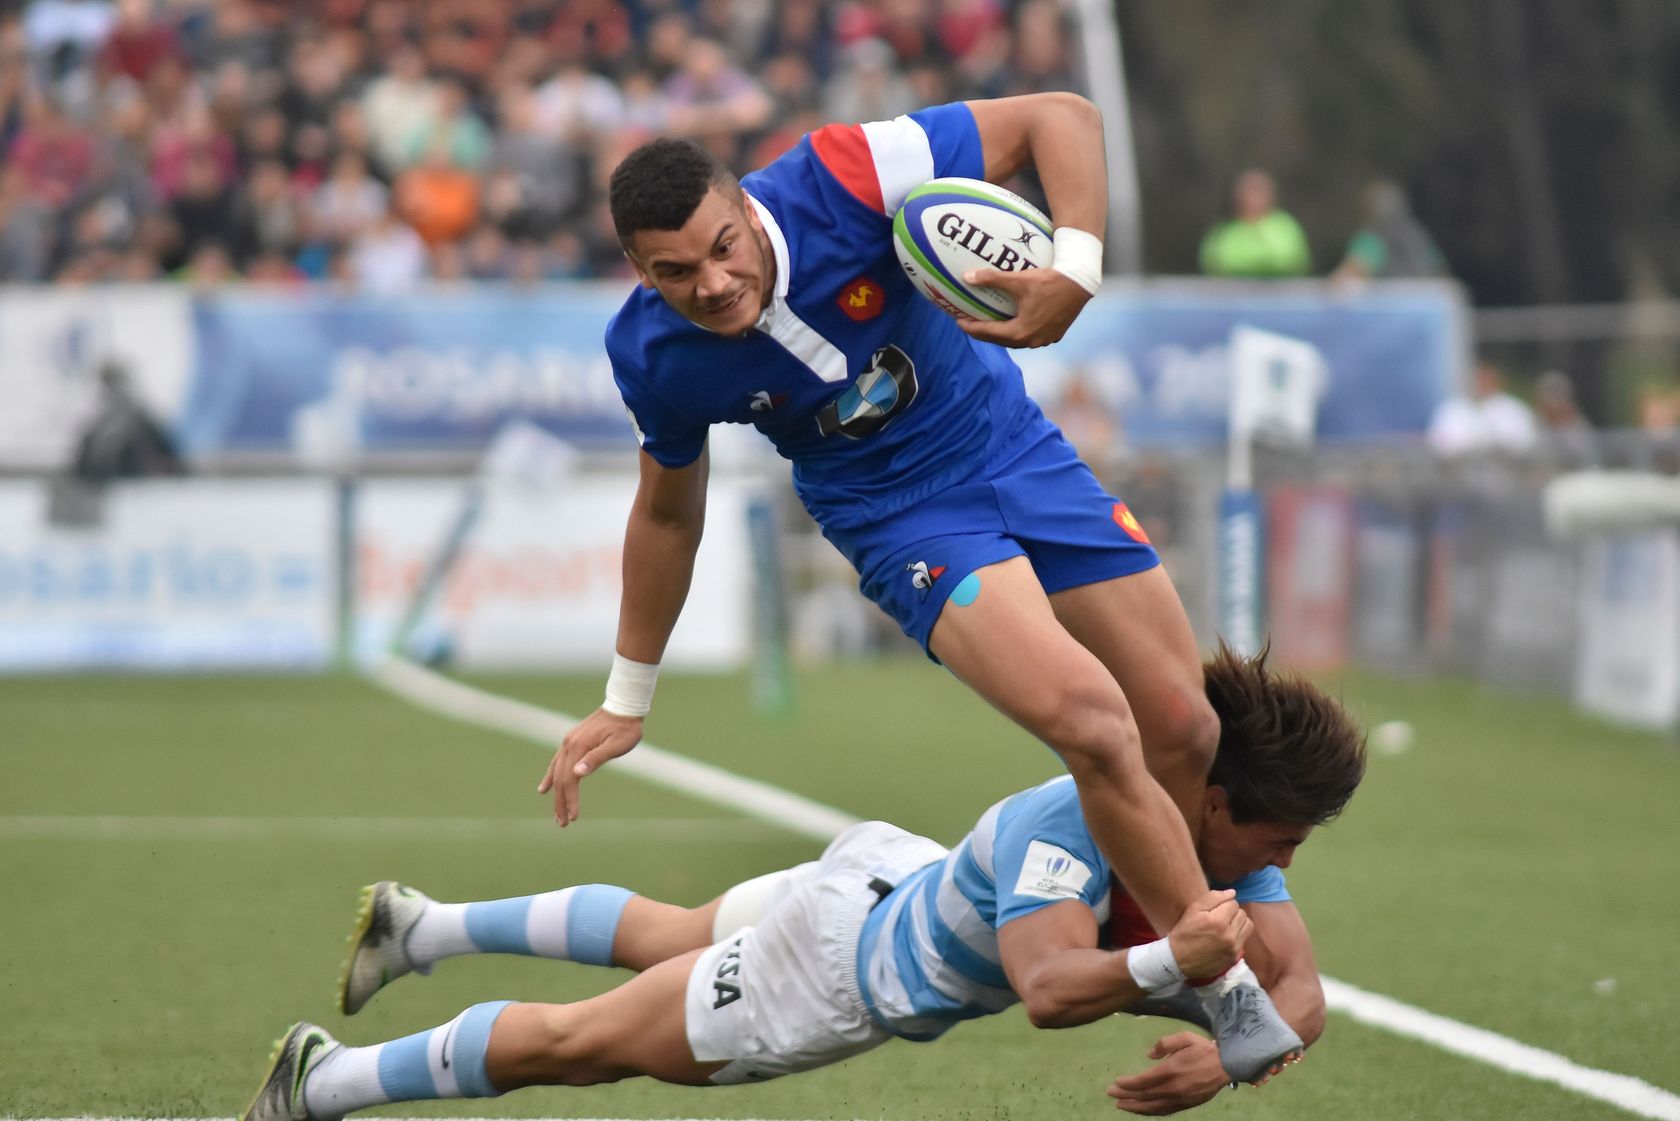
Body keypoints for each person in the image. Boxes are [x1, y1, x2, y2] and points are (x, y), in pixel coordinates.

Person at [543, 91, 1303, 1072]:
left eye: (724, 245)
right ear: (639, 272)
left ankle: (1140, 925)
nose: (715, 282)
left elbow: (1058, 117)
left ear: (742, 202)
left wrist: (1075, 264)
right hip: (903, 518)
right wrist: (626, 696)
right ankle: (1225, 989)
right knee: (1091, 722)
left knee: (1186, 728)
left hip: (1014, 448)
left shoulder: (843, 174)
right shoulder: (649, 352)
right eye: (675, 272)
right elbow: (664, 511)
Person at [240, 643, 1367, 1121]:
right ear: (1213, 799)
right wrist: (1180, 965)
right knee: (584, 1042)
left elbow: (1300, 989)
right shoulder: (1070, 826)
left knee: (672, 929)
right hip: (834, 970)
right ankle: (326, 1079)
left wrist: (1226, 1053)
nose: (1281, 864)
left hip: (888, 870)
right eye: (1276, 835)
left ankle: (423, 925)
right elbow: (1049, 984)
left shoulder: (1215, 846)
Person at [1198, 169, 1311, 279]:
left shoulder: (1285, 226)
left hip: (1282, 295)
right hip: (1234, 295)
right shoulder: (1224, 231)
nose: (1254, 197)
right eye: (1249, 190)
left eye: (1259, 190)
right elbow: (1216, 262)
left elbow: (1291, 259)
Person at [1331, 178, 1447, 284]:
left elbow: (1348, 276)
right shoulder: (1416, 233)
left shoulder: (1372, 236)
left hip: (1392, 303)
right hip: (1427, 301)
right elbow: (1439, 272)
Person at [1427, 359, 1539, 459]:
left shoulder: (1515, 410)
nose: (1481, 383)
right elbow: (1438, 442)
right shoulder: (1451, 409)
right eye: (1478, 379)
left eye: (1486, 379)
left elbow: (1525, 441)